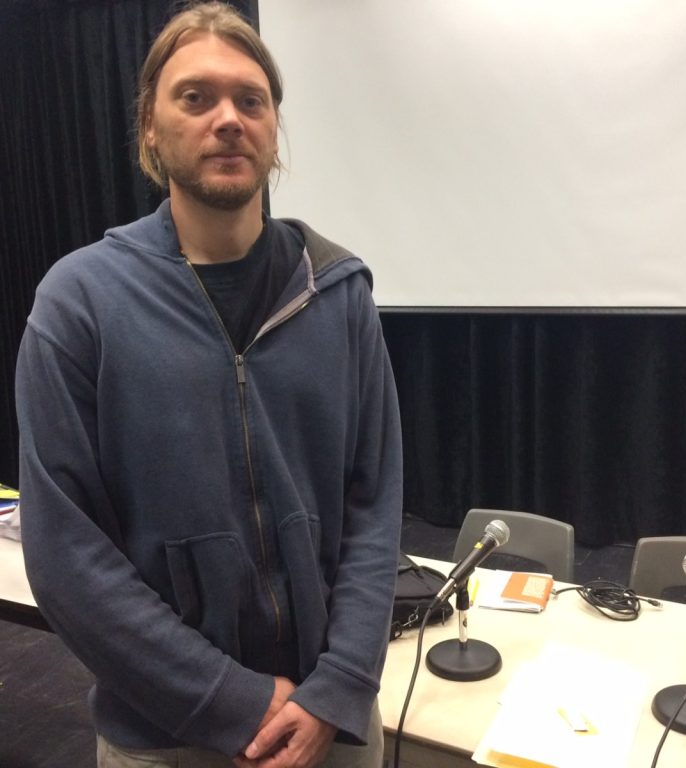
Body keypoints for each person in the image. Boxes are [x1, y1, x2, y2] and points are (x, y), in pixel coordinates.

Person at [15, 2, 403, 767]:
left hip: (329, 724)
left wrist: (342, 683)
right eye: (195, 97)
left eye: (250, 100)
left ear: (273, 129)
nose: (228, 118)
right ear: (150, 129)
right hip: (163, 734)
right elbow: (65, 555)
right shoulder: (80, 303)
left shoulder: (339, 292)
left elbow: (374, 504)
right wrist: (232, 698)